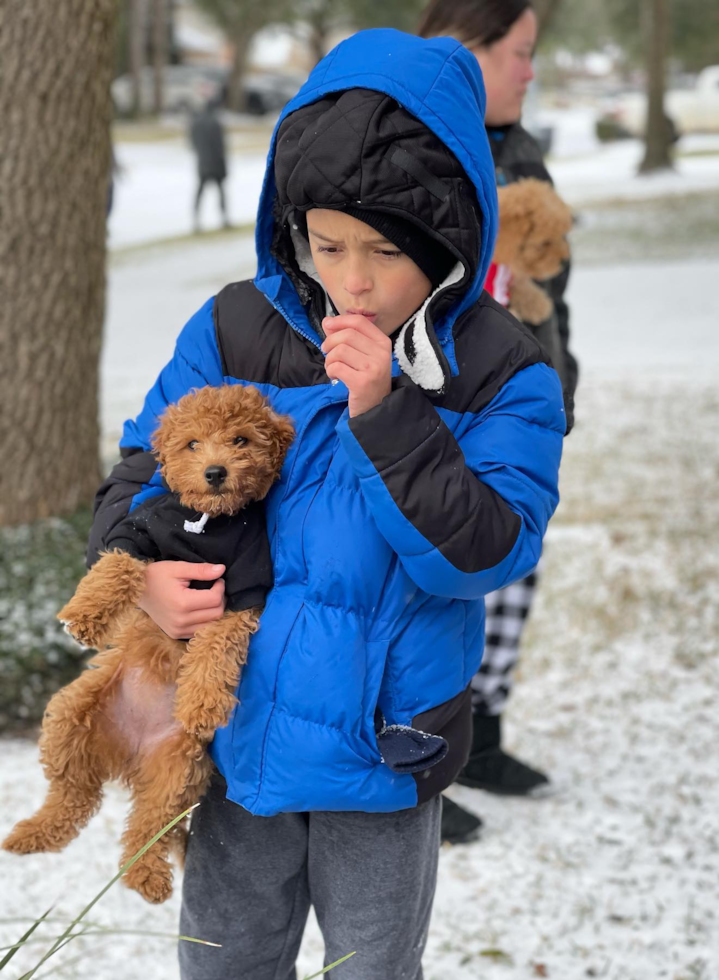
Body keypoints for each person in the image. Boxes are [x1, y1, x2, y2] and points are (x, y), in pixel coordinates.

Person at [87, 29, 565, 979]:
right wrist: (141, 575)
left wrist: (387, 415)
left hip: (385, 750)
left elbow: (487, 550)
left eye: (386, 251)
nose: (351, 279)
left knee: (372, 966)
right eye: (327, 242)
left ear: (451, 235)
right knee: (225, 962)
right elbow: (143, 471)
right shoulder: (235, 326)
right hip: (235, 736)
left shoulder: (505, 368)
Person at [419, 0, 579, 845]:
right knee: (434, 587)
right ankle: (420, 762)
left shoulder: (522, 148)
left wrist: (562, 394)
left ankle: (482, 739)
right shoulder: (412, 143)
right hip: (436, 418)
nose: (529, 71)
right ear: (465, 48)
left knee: (513, 582)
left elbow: (559, 288)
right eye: (518, 53)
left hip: (520, 409)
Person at [189, 95, 230, 232]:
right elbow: (220, 147)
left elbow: (192, 143)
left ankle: (196, 221)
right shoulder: (216, 123)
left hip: (202, 163)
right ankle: (224, 219)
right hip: (216, 163)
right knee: (220, 191)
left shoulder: (196, 123)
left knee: (200, 192)